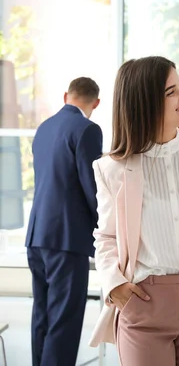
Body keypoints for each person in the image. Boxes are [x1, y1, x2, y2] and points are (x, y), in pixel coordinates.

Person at [88, 56, 179, 366]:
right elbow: (106, 236)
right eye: (171, 91)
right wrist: (113, 283)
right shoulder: (111, 168)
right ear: (144, 102)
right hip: (143, 301)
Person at [25, 77, 103, 366]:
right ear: (96, 102)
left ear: (65, 96)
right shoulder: (88, 129)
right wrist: (108, 229)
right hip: (67, 239)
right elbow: (92, 187)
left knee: (42, 314)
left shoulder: (44, 128)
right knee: (64, 320)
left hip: (37, 235)